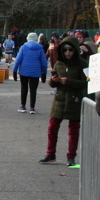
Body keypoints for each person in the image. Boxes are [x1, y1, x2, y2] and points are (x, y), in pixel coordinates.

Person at [39, 36, 87, 166]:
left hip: (74, 100)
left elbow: (86, 83)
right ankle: (50, 154)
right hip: (59, 99)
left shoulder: (83, 64)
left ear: (75, 50)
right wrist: (53, 80)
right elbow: (51, 84)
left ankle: (71, 156)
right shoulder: (58, 63)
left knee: (73, 130)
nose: (67, 52)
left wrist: (69, 81)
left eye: (70, 49)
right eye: (65, 49)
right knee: (52, 128)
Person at [12, 32, 48, 114]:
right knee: (33, 89)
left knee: (24, 88)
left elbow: (18, 60)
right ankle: (32, 107)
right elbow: (44, 63)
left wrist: (14, 71)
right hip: (35, 72)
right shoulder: (40, 48)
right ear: (36, 39)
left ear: (27, 39)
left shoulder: (23, 47)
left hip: (24, 71)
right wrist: (44, 73)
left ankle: (23, 106)